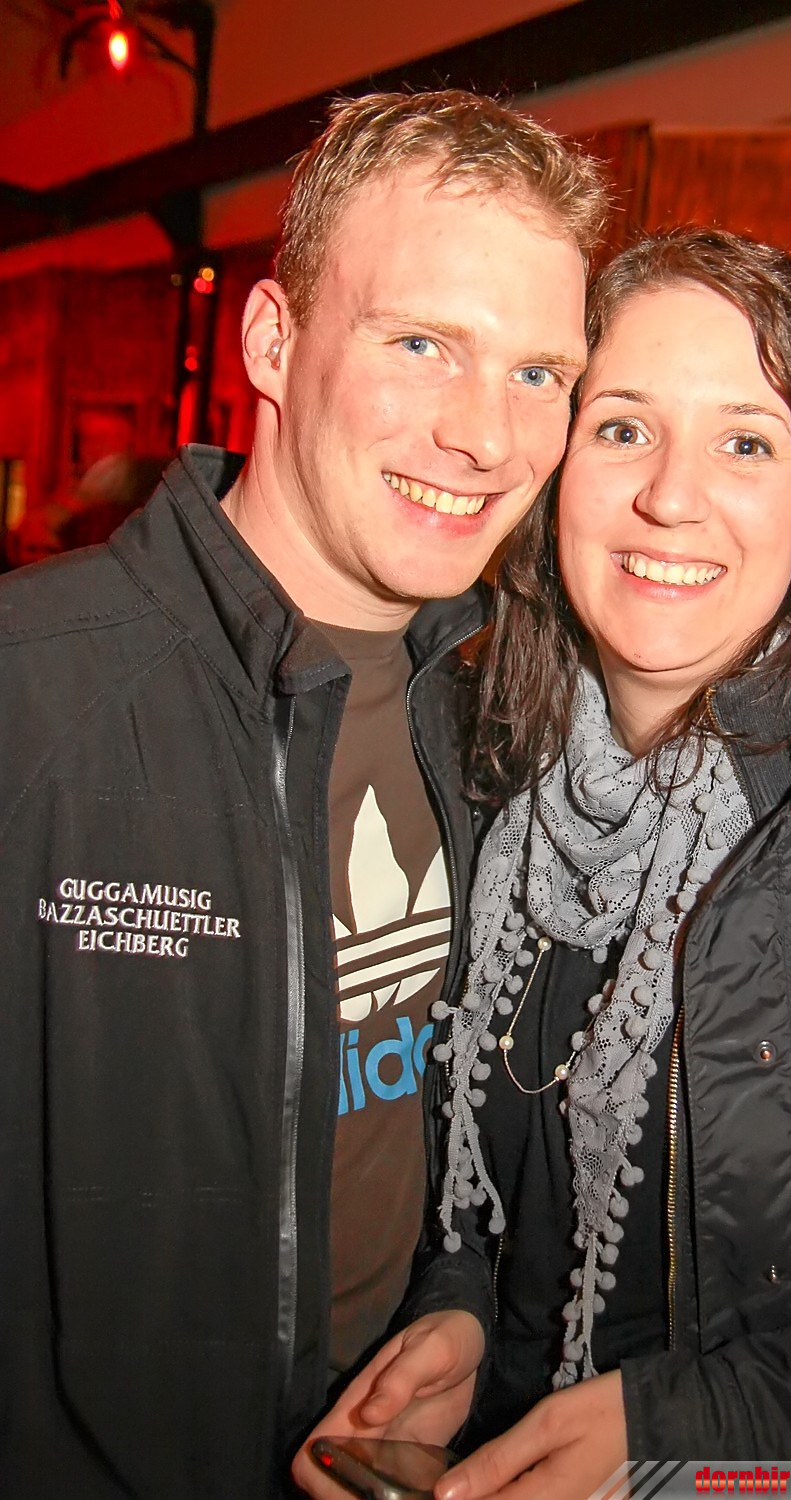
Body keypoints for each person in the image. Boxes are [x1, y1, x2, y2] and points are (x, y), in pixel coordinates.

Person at [313, 227, 791, 1492]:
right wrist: (458, 1312)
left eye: (746, 444)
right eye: (623, 428)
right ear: (556, 474)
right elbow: (492, 1189)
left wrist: (688, 1420)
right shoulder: (486, 792)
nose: (669, 498)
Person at [0, 90, 606, 1498]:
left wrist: (452, 1299)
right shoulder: (31, 690)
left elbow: (431, 1103)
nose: (487, 437)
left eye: (539, 373)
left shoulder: (496, 712)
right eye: (421, 345)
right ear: (272, 342)